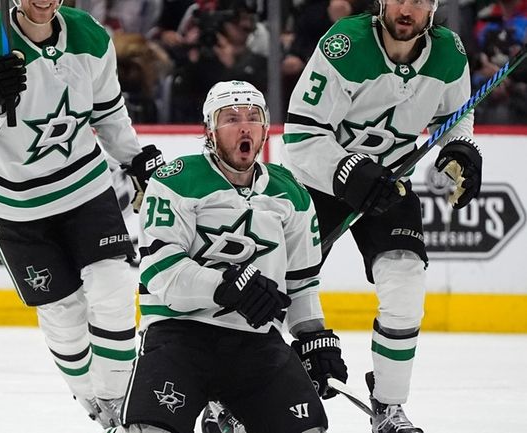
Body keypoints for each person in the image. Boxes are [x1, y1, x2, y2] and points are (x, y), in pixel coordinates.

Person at [0, 0, 164, 428]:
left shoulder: (90, 36)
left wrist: (134, 157)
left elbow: (108, 111)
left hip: (83, 186)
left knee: (114, 284)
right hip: (15, 204)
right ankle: (92, 402)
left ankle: (121, 401)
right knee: (62, 313)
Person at [281, 1, 483, 432]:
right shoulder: (344, 46)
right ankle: (232, 394)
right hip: (318, 183)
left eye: (418, 0)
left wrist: (459, 151)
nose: (406, 8)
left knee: (406, 284)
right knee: (276, 288)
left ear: (433, 8)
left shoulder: (451, 54)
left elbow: (456, 119)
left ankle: (389, 407)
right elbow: (301, 136)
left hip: (389, 184)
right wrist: (347, 170)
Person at [109, 80, 348, 433]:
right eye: (231, 118)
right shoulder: (176, 180)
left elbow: (301, 283)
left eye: (253, 116)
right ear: (210, 130)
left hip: (257, 344)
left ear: (265, 129)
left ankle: (228, 412)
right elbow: (160, 272)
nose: (244, 125)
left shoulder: (291, 193)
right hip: (180, 338)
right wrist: (227, 286)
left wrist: (313, 338)